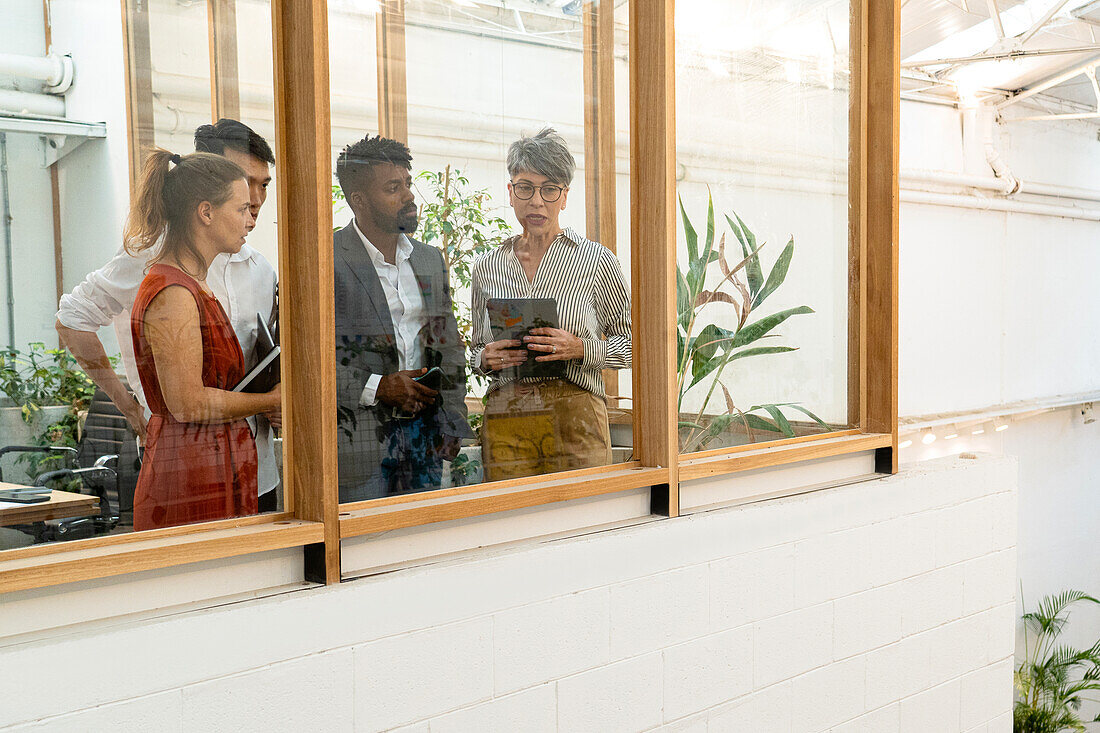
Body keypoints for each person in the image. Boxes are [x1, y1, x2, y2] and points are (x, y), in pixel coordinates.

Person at [56, 119, 282, 513]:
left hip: (254, 467)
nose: (257, 199)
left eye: (264, 185)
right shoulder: (155, 267)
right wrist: (127, 405)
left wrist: (274, 401)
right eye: (246, 182)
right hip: (190, 466)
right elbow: (72, 319)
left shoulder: (260, 268)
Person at [125, 149, 280, 530]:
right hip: (190, 473)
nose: (250, 220)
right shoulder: (172, 291)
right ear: (206, 212)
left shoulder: (192, 283)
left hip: (212, 462)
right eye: (242, 208)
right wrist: (270, 401)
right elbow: (188, 404)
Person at [470, 127, 631, 481]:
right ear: (510, 193)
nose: (537, 201)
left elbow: (633, 347)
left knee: (584, 517)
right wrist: (484, 358)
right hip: (506, 413)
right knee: (508, 519)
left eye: (549, 189)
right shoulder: (487, 266)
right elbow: (475, 347)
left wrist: (579, 348)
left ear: (564, 196)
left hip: (575, 412)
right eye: (525, 187)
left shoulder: (595, 260)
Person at [333, 134, 472, 501]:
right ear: (358, 200)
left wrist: (452, 417)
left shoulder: (428, 260)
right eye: (393, 188)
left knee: (422, 544)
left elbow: (449, 345)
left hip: (426, 440)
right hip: (358, 444)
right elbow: (305, 361)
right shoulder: (326, 260)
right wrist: (378, 387)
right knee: (365, 550)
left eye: (408, 183)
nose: (409, 195)